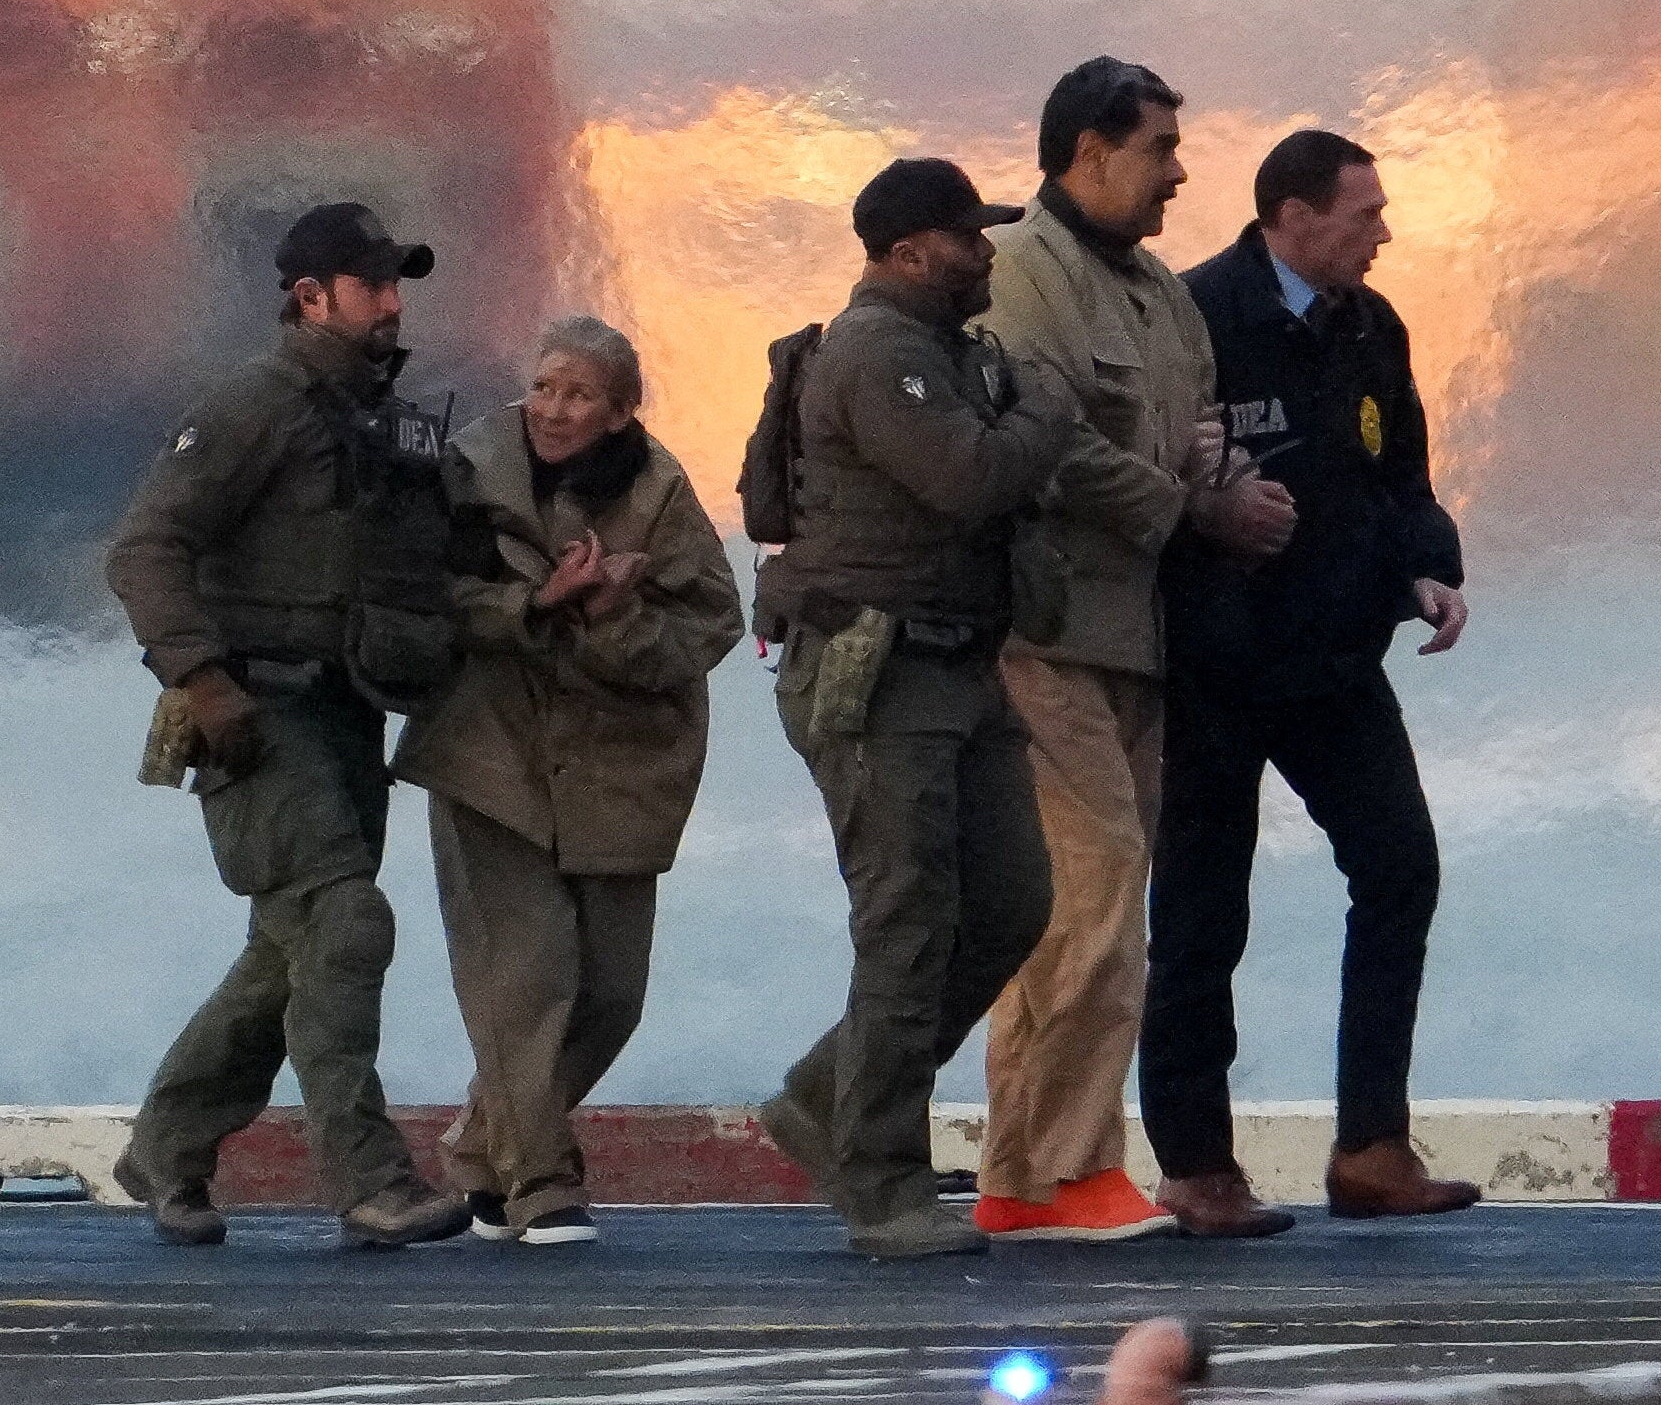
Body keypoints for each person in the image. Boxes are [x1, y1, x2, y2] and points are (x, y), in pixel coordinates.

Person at [104, 202, 470, 1250]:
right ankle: (369, 1181)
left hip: (348, 713)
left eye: (398, 285)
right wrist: (202, 681)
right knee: (347, 923)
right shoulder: (255, 405)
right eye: (372, 285)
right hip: (258, 713)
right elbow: (144, 550)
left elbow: (443, 554)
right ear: (310, 297)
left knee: (289, 952)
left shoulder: (382, 422)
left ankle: (167, 1145)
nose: (393, 304)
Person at [973, 58, 1294, 1241]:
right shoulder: (1016, 272)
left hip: (1138, 642)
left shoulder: (1159, 293)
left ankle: (1016, 1180)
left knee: (1069, 915)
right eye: (1158, 148)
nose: (1178, 173)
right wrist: (1195, 509)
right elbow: (1046, 446)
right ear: (1088, 151)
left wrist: (1236, 486)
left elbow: (1196, 432)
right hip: (1043, 634)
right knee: (1100, 896)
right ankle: (1073, 1173)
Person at [1140, 130, 1477, 1237]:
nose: (1383, 233)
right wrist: (1208, 515)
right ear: (1292, 216)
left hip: (1333, 659)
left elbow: (1400, 475)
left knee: (1400, 868)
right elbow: (1142, 477)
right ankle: (1196, 1165)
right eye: (1363, 213)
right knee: (1202, 914)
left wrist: (1428, 568)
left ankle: (1371, 1147)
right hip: (1216, 664)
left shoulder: (1371, 325)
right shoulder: (1193, 316)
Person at [750, 157, 1076, 1259]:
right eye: (962, 237)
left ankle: (825, 1099)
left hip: (956, 663)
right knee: (907, 921)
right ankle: (882, 1183)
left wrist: (1023, 408)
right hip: (877, 672)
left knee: (1011, 904)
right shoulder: (879, 353)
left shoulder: (948, 353)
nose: (982, 254)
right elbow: (971, 478)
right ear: (902, 252)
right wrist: (1049, 406)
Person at [394, 315, 742, 1247]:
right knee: (525, 982)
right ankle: (541, 1185)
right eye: (544, 386)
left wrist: (613, 612)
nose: (552, 408)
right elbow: (419, 596)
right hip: (489, 752)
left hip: (618, 766)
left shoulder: (660, 491)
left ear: (621, 411)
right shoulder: (466, 471)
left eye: (579, 394)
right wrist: (532, 602)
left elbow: (711, 624)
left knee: (612, 997)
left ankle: (482, 1156)